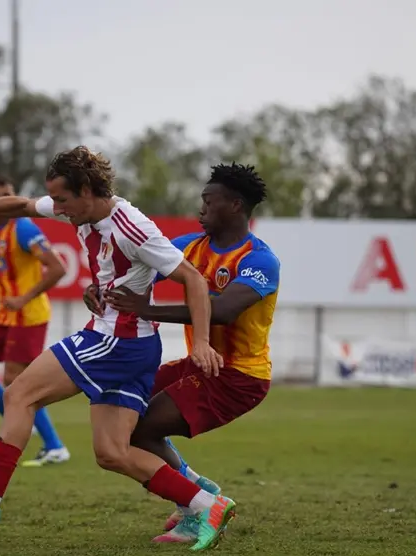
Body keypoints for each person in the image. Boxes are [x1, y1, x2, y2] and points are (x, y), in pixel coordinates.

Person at [0, 146, 235, 552]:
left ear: (87, 190)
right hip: (132, 346)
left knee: (19, 393)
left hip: (114, 341)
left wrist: (204, 344)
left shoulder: (133, 227)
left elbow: (193, 279)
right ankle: (206, 504)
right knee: (112, 452)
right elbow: (20, 204)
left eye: (63, 200)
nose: (58, 208)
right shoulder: (82, 209)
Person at [102, 162, 279, 544]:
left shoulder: (259, 260)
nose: (200, 208)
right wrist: (101, 289)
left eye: (208, 201)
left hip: (239, 377)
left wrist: (145, 310)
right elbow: (135, 268)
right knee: (125, 416)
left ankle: (195, 509)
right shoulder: (188, 247)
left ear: (233, 205)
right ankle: (201, 492)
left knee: (142, 428)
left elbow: (225, 310)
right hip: (200, 364)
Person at [0, 176, 70, 467]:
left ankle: (55, 446)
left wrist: (24, 298)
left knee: (16, 382)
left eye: (6, 194)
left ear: (14, 196)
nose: (1, 199)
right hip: (5, 314)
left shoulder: (23, 227)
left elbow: (58, 268)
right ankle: (20, 417)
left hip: (29, 315)